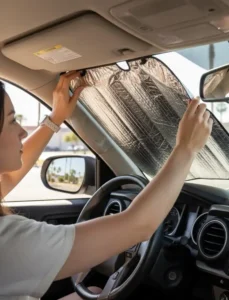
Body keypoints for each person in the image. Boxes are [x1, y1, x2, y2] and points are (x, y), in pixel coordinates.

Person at [0, 71, 213, 299]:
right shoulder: (10, 241)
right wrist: (186, 149)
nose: (22, 131)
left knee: (91, 292)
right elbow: (138, 226)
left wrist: (56, 118)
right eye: (13, 120)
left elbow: (8, 179)